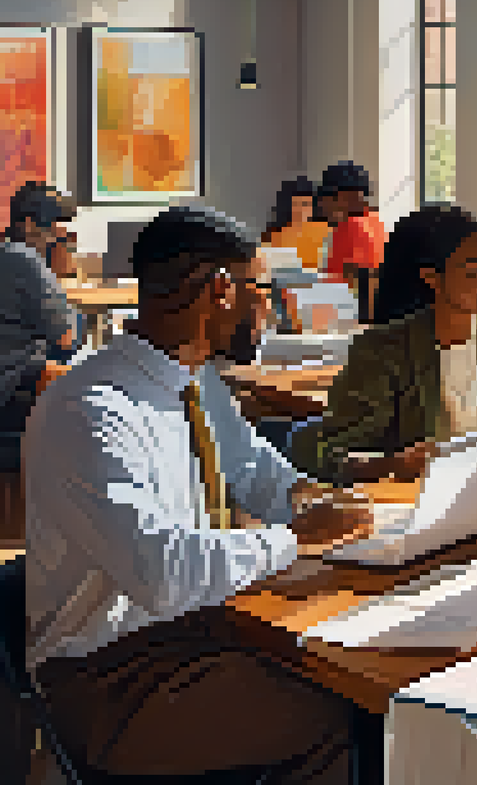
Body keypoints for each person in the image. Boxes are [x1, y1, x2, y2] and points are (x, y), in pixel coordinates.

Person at [23, 205, 374, 782]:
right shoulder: (91, 412)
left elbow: (253, 467)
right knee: (344, 714)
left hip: (201, 634)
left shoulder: (196, 381)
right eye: (262, 288)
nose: (270, 307)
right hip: (109, 680)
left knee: (346, 671)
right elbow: (163, 574)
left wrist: (312, 501)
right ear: (221, 290)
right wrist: (292, 539)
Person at [289, 204, 477, 484]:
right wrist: (392, 465)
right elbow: (332, 455)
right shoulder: (381, 352)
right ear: (432, 278)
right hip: (408, 508)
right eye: (476, 272)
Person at [0, 182, 80, 542]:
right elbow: (67, 340)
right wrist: (60, 275)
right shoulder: (24, 259)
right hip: (12, 392)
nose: (58, 236)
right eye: (55, 227)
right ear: (29, 224)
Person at [316, 161, 387, 319]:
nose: (321, 205)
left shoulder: (351, 227)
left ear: (343, 197)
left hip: (350, 318)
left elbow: (345, 285)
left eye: (325, 197)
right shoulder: (376, 223)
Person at [262, 175, 330, 271]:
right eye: (296, 205)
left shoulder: (324, 230)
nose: (302, 210)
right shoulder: (273, 235)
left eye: (306, 205)